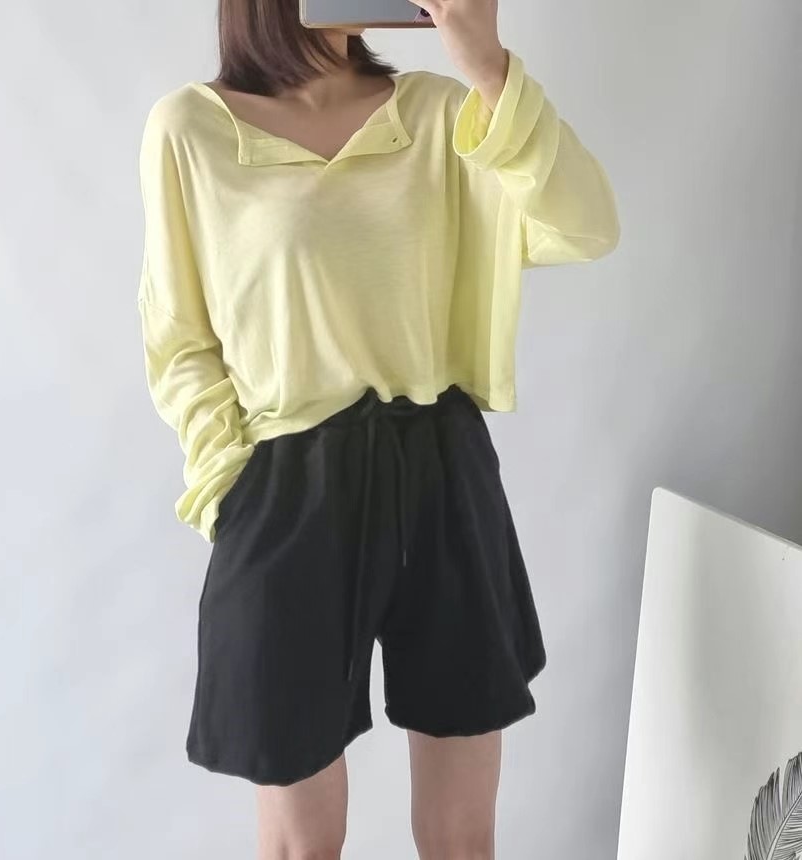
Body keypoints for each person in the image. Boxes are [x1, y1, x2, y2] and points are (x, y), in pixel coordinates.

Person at [135, 0, 620, 855]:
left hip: (441, 463)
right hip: (287, 485)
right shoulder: (191, 130)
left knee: (462, 838)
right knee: (301, 844)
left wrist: (489, 67)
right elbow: (179, 341)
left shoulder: (437, 112)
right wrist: (234, 491)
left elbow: (586, 227)